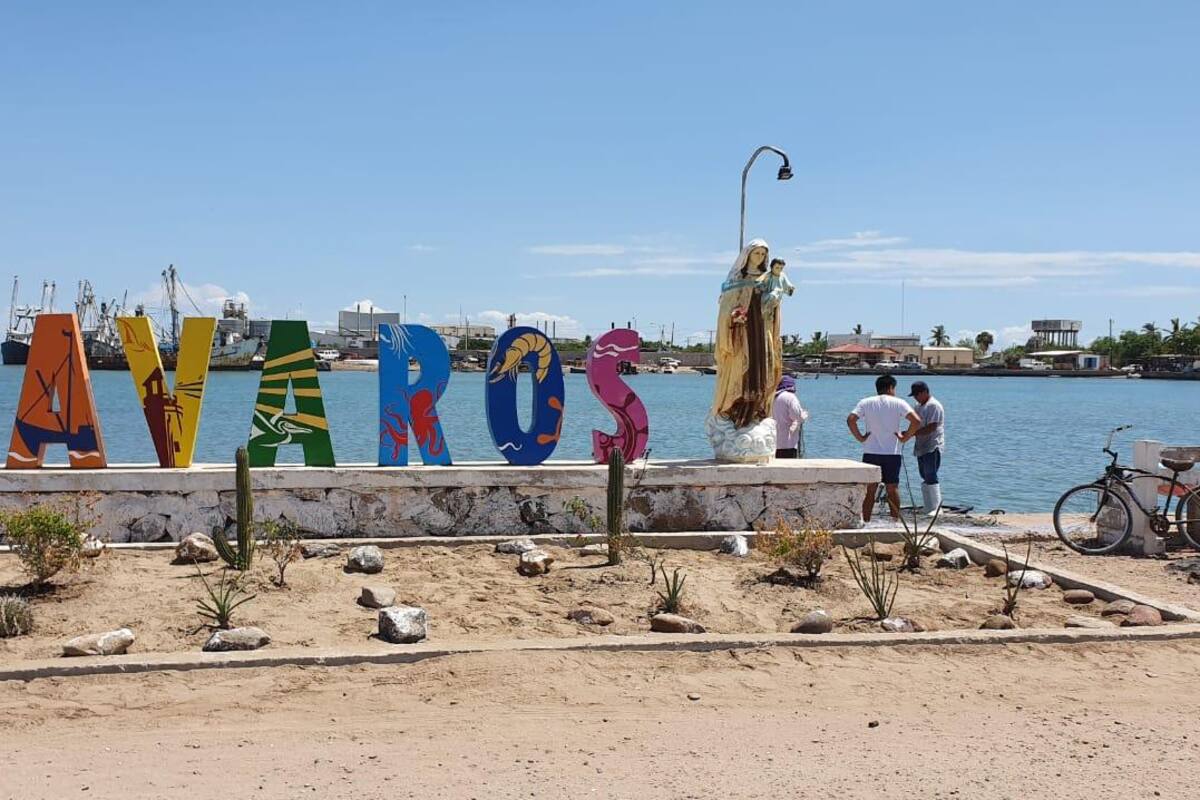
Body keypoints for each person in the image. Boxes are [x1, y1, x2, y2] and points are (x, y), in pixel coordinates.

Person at [847, 374, 920, 522]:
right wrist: (905, 438)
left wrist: (860, 438)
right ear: (891, 387)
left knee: (870, 490)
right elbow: (916, 421)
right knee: (892, 488)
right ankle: (894, 522)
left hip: (870, 451)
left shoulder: (866, 402)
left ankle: (866, 522)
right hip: (892, 452)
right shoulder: (899, 403)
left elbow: (851, 420)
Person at [909, 380, 945, 515]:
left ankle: (936, 508)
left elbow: (932, 426)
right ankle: (928, 506)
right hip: (921, 445)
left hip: (932, 444)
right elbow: (914, 423)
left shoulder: (933, 406)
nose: (915, 398)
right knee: (923, 474)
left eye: (917, 394)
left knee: (931, 473)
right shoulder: (918, 406)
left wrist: (913, 433)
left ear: (925, 392)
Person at [772, 375, 809, 458]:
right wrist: (804, 415)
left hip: (773, 442)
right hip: (788, 443)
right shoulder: (790, 397)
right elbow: (797, 416)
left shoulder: (773, 397)